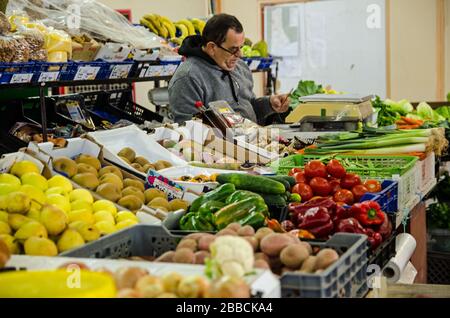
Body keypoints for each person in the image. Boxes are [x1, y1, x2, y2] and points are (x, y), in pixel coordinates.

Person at [168, 13, 289, 125]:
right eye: (233, 49)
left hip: (250, 143)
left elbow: (248, 108)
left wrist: (270, 104)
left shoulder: (240, 67)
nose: (240, 54)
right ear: (212, 48)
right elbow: (189, 131)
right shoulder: (188, 78)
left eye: (241, 47)